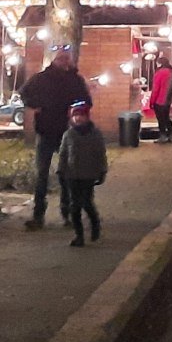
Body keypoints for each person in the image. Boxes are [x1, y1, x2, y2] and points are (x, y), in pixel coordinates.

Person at [21, 45, 93, 230]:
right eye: (61, 58)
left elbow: (86, 101)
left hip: (67, 132)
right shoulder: (42, 79)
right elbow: (24, 92)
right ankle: (39, 214)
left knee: (67, 175)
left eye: (66, 58)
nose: (64, 62)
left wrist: (77, 113)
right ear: (54, 60)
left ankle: (67, 213)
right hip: (46, 130)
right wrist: (35, 105)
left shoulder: (75, 80)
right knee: (42, 175)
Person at [57, 101, 107, 246]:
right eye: (75, 115)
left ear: (87, 117)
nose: (78, 118)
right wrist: (61, 170)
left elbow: (100, 153)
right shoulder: (69, 134)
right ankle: (79, 235)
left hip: (88, 174)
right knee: (75, 206)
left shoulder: (95, 134)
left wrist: (102, 171)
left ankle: (95, 225)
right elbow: (63, 153)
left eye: (81, 115)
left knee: (86, 202)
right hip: (72, 174)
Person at [148, 56, 172, 142]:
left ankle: (163, 136)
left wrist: (151, 101)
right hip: (168, 99)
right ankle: (171, 135)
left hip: (159, 100)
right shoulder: (171, 73)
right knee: (167, 118)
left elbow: (156, 89)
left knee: (161, 119)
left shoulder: (159, 73)